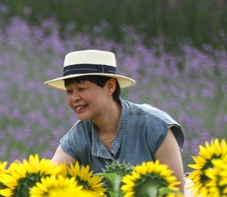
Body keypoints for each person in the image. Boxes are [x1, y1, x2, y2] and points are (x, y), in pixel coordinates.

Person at [47, 50, 185, 185]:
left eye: (82, 89)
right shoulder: (77, 136)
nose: (74, 98)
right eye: (69, 91)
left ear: (110, 87)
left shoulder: (154, 126)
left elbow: (175, 196)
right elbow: (48, 179)